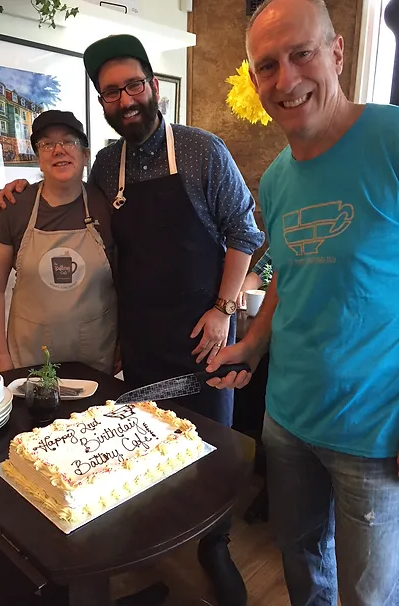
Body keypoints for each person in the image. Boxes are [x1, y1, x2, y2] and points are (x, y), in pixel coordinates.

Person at [0, 35, 265, 606]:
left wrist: (223, 309)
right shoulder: (107, 165)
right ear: (102, 100)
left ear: (155, 87)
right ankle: (149, 544)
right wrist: (16, 191)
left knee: (210, 452)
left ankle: (214, 549)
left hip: (204, 336)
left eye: (133, 85)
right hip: (138, 341)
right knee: (143, 449)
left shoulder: (201, 150)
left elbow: (244, 231)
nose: (125, 99)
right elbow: (66, 195)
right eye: (111, 92)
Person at [207, 1, 399, 605]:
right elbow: (288, 275)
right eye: (267, 65)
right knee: (301, 568)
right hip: (287, 422)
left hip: (375, 431)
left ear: (337, 52)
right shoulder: (276, 179)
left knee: (368, 594)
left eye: (301, 54)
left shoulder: (392, 140)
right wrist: (252, 345)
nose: (286, 80)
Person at [0, 110, 117, 374]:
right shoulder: (14, 207)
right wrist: (0, 356)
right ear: (39, 159)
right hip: (28, 358)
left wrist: (124, 343)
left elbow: (124, 283)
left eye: (68, 141)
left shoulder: (108, 207)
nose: (58, 150)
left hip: (96, 358)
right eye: (46, 144)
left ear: (85, 155)